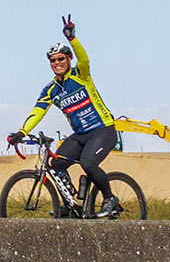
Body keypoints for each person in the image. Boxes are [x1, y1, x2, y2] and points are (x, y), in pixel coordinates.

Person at [7, 15, 122, 217]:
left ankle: (110, 198)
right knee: (56, 165)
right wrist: (21, 132)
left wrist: (72, 39)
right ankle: (70, 205)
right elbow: (38, 111)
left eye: (61, 58)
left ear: (69, 59)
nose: (57, 63)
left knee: (88, 163)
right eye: (53, 60)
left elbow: (84, 59)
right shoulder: (50, 90)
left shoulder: (81, 75)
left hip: (103, 130)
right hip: (81, 135)